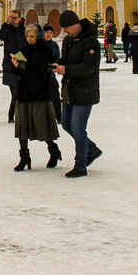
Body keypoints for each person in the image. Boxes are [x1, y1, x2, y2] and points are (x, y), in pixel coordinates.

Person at [54, 10, 102, 178]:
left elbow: (90, 67)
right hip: (69, 89)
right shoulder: (68, 41)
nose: (65, 32)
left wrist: (67, 69)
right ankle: (92, 150)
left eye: (67, 28)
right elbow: (65, 60)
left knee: (78, 127)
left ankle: (80, 165)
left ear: (75, 25)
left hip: (85, 90)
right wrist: (56, 65)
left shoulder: (91, 42)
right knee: (66, 123)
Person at [11, 22, 62, 171]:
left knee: (42, 125)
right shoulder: (24, 50)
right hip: (25, 92)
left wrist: (25, 67)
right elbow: (20, 74)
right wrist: (16, 66)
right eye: (27, 36)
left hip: (40, 92)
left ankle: (53, 150)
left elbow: (43, 72)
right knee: (22, 126)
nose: (29, 38)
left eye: (32, 36)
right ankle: (24, 157)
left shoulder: (45, 50)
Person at [0, 12, 27, 123]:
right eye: (12, 18)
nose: (13, 20)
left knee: (23, 93)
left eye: (15, 18)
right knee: (15, 93)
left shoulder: (24, 30)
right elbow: (0, 36)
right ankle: (11, 116)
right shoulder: (7, 29)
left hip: (22, 64)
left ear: (20, 18)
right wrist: (6, 23)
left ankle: (22, 115)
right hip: (9, 65)